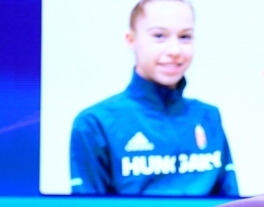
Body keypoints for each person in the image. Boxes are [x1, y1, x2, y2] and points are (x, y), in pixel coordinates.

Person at [69, 0, 238, 196]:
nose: (174, 51)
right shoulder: (95, 123)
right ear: (131, 40)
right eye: (159, 36)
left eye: (185, 36)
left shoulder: (208, 117)